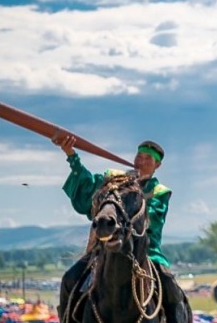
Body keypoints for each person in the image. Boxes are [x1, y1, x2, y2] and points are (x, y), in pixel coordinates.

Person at [52, 136, 189, 323]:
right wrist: (71, 155)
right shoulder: (114, 179)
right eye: (139, 156)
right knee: (70, 279)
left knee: (170, 287)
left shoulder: (159, 192)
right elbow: (89, 187)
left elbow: (151, 222)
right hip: (105, 248)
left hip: (146, 252)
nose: (141, 161)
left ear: (157, 165)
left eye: (148, 158)